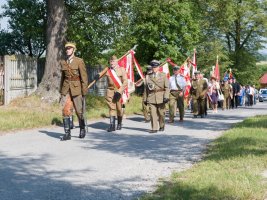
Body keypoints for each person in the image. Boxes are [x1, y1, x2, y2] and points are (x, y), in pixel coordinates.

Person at [60, 42, 88, 140]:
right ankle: (67, 134)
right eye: (66, 49)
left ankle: (82, 129)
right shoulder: (63, 62)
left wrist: (84, 91)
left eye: (69, 48)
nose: (67, 50)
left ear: (73, 50)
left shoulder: (79, 61)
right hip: (66, 89)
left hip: (77, 89)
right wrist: (61, 91)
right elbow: (63, 78)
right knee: (65, 110)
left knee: (79, 111)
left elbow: (84, 77)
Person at [95, 55, 128, 132]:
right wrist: (97, 75)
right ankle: (112, 126)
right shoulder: (108, 70)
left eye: (113, 61)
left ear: (117, 62)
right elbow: (101, 74)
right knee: (111, 108)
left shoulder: (122, 69)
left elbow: (125, 82)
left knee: (119, 109)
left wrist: (119, 91)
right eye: (110, 61)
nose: (112, 63)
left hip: (119, 91)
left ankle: (119, 123)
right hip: (110, 91)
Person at [143, 60, 170, 133]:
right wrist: (145, 99)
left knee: (161, 114)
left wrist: (166, 96)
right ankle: (154, 128)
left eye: (156, 67)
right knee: (152, 113)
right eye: (153, 67)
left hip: (161, 97)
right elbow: (146, 89)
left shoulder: (163, 75)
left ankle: (162, 125)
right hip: (151, 97)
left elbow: (167, 87)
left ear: (158, 67)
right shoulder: (148, 76)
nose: (154, 68)